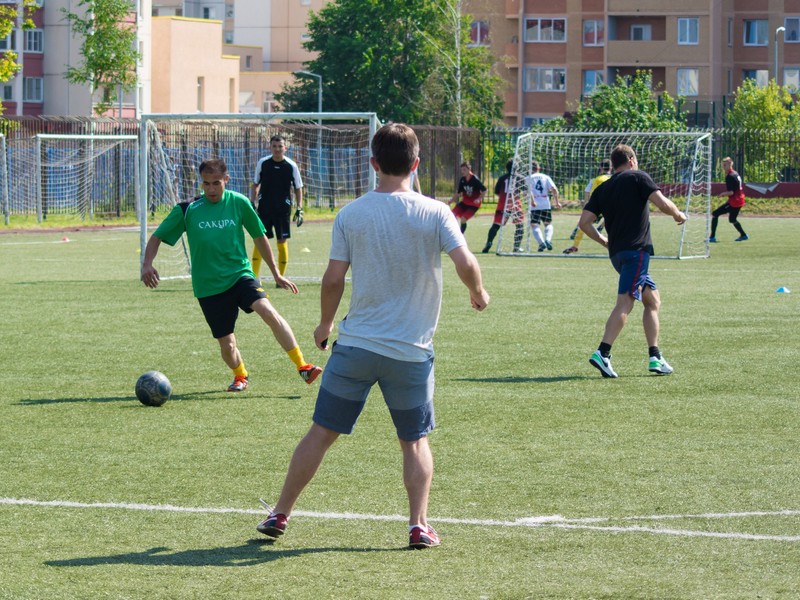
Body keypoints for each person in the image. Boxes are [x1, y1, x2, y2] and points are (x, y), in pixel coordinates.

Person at [256, 123, 490, 549]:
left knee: (320, 434)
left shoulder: (352, 214)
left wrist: (325, 324)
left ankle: (280, 512)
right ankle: (418, 525)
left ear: (373, 163)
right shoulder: (436, 212)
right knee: (414, 442)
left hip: (356, 347)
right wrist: (478, 292)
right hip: (410, 352)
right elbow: (465, 261)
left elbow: (333, 279)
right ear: (416, 164)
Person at [141, 158, 322, 392]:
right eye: (206, 184)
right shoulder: (187, 210)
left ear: (226, 180)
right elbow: (157, 237)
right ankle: (240, 375)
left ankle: (303, 366)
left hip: (240, 275)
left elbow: (259, 237)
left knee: (268, 311)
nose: (211, 189)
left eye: (216, 183)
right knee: (227, 346)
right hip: (208, 286)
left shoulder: (239, 202)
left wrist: (276, 274)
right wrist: (147, 264)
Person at [579, 144, 687, 378]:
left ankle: (655, 356)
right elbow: (662, 203)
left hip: (617, 255)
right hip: (636, 252)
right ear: (631, 160)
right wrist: (678, 214)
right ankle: (603, 352)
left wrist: (604, 241)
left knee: (652, 301)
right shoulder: (638, 177)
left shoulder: (603, 188)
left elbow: (584, 223)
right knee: (626, 302)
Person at [250, 134, 304, 286]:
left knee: (282, 240)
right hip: (264, 209)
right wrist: (252, 202)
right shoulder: (263, 163)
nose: (277, 149)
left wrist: (300, 208)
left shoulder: (291, 165)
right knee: (260, 240)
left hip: (282, 209)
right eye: (274, 146)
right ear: (270, 147)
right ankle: (254, 278)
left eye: (280, 146)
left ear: (285, 148)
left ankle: (280, 279)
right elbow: (255, 184)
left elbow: (298, 188)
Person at [564, 159, 611, 254]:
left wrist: (586, 204)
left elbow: (590, 193)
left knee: (583, 224)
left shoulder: (595, 180)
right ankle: (614, 244)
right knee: (612, 226)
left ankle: (575, 246)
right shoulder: (615, 178)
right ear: (610, 168)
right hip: (611, 206)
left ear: (601, 168)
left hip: (598, 206)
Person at [483, 159, 524, 253]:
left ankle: (489, 242)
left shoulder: (502, 178)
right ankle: (516, 247)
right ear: (517, 168)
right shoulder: (520, 178)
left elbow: (497, 192)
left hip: (503, 205)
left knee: (496, 225)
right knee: (520, 226)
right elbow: (525, 193)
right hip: (515, 205)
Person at [709, 157, 748, 243]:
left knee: (715, 214)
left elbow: (731, 192)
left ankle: (712, 237)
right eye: (723, 165)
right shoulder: (735, 173)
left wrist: (722, 194)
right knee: (732, 219)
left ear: (730, 164)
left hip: (734, 202)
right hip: (740, 200)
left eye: (725, 165)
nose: (723, 167)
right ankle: (743, 235)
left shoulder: (730, 176)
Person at [524, 160, 561, 251]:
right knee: (548, 224)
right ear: (539, 168)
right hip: (545, 203)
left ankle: (541, 243)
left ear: (530, 169)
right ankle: (548, 240)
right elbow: (554, 189)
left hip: (534, 205)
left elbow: (527, 192)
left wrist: (532, 201)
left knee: (534, 225)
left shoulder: (527, 178)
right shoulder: (546, 177)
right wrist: (557, 202)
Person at [449, 161, 486, 233]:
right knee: (452, 215)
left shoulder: (475, 179)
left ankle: (460, 235)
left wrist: (479, 199)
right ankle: (452, 233)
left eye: (464, 170)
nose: (462, 172)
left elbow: (484, 190)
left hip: (473, 205)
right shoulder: (462, 180)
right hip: (464, 203)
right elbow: (459, 193)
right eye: (461, 170)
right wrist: (452, 200)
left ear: (469, 169)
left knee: (463, 219)